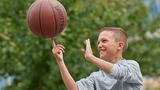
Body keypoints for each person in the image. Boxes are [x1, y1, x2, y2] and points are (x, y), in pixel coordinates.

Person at [51, 27, 143, 90]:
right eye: (98, 42)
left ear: (120, 45)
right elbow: (75, 88)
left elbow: (119, 72)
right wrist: (60, 61)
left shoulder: (132, 66)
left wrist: (91, 57)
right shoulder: (96, 77)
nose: (99, 45)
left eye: (104, 41)